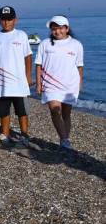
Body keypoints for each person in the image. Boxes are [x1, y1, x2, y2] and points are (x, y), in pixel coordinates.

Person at [35, 15, 84, 150]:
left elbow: (79, 66)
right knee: (55, 110)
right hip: (50, 84)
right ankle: (64, 140)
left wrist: (80, 83)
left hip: (70, 85)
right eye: (54, 29)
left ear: (67, 29)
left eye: (60, 28)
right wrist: (39, 83)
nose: (57, 31)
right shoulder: (45, 44)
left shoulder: (76, 45)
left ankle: (65, 139)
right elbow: (38, 64)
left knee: (66, 113)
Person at [0, 6, 32, 147]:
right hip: (1, 83)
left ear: (15, 20)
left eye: (10, 19)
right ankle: (5, 135)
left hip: (19, 83)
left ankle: (24, 136)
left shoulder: (21, 35)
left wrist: (28, 76)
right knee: (3, 112)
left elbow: (28, 56)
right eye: (3, 20)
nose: (7, 22)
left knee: (22, 112)